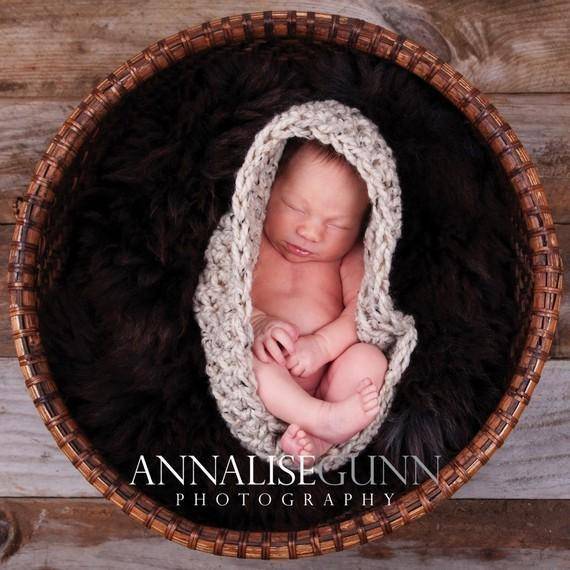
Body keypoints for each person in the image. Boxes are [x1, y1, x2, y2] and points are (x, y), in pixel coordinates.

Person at [251, 137, 389, 466]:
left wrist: (322, 347)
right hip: (273, 367)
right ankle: (319, 417)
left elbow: (363, 313)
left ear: (361, 227)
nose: (311, 232)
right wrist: (259, 324)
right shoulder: (250, 241)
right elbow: (223, 302)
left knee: (370, 359)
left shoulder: (350, 256)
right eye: (296, 208)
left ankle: (318, 440)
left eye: (336, 224)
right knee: (251, 362)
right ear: (267, 189)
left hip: (330, 371)